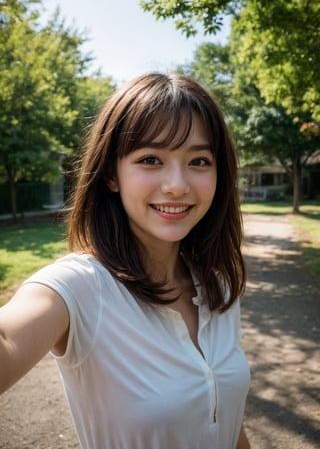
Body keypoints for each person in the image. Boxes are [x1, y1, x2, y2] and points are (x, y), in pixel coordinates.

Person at [0, 73, 251, 449]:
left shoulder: (218, 286)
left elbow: (225, 420)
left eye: (199, 160)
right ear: (111, 175)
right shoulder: (77, 288)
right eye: (151, 159)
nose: (177, 184)